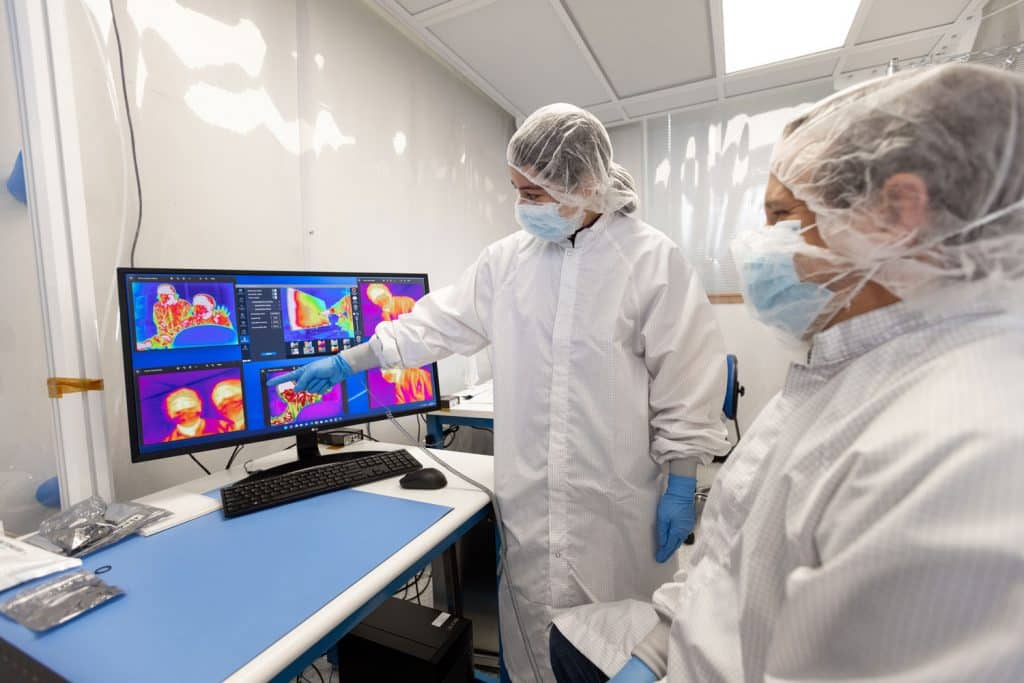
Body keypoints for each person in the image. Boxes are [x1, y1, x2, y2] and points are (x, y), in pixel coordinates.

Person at [548, 63, 1024, 682]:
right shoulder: (843, 369)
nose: (759, 245)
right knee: (568, 639)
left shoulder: (969, 449)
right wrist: (657, 649)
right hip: (705, 643)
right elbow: (730, 549)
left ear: (897, 211)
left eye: (780, 218)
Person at [270, 103, 730, 681]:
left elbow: (686, 376)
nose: (523, 207)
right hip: (530, 500)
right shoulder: (507, 262)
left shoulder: (649, 259)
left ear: (584, 183)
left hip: (614, 505)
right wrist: (351, 360)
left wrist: (683, 477)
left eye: (534, 193)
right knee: (532, 637)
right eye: (517, 191)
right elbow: (435, 325)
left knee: (611, 646)